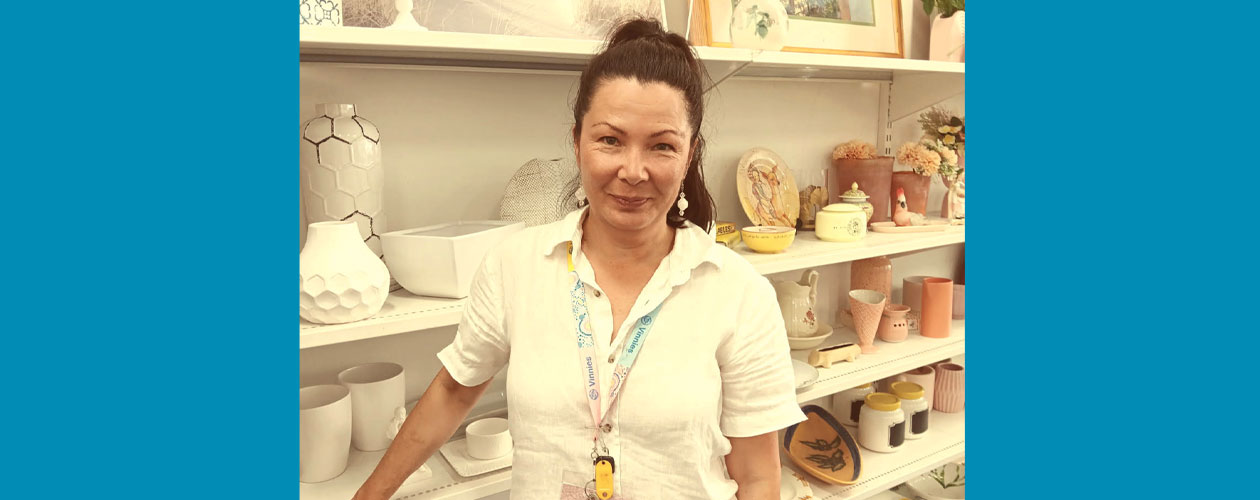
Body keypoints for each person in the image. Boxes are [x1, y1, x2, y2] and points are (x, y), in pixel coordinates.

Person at [352, 18, 804, 500]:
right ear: (577, 141)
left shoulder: (739, 293)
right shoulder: (514, 267)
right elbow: (452, 390)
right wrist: (369, 495)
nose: (633, 171)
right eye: (610, 140)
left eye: (662, 146)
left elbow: (757, 478)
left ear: (690, 154)